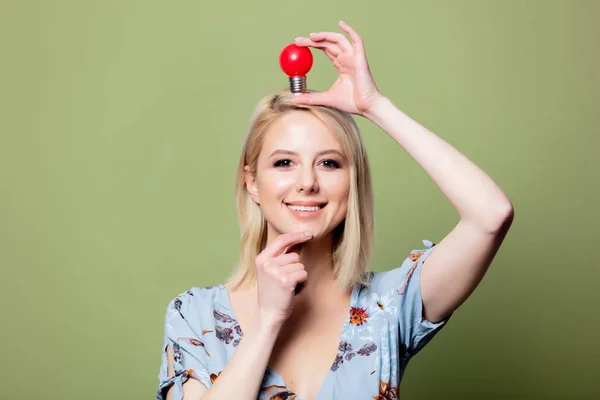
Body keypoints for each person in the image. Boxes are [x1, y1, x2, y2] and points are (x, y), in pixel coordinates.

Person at [156, 20, 514, 400]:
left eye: (329, 163)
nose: (307, 182)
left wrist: (374, 106)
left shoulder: (389, 306)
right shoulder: (196, 316)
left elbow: (491, 214)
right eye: (283, 163)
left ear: (352, 182)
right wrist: (266, 321)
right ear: (252, 182)